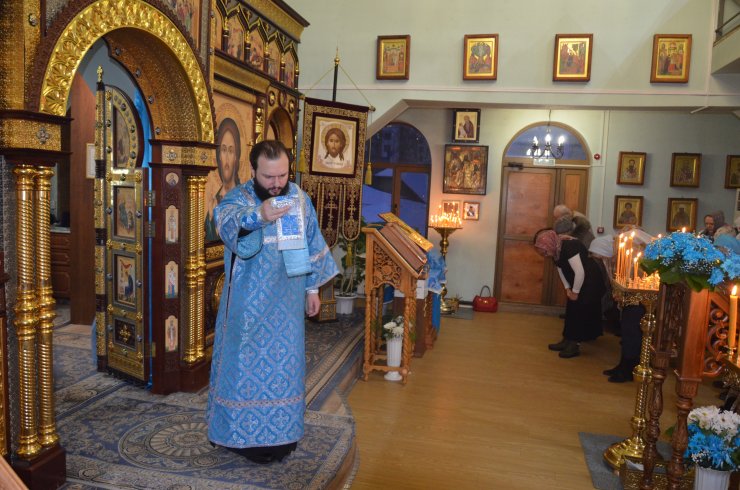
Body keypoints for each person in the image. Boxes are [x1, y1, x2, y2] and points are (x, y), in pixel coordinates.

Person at [206, 140, 339, 464]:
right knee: (243, 372)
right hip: (246, 311)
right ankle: (239, 438)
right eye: (269, 177)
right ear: (253, 171)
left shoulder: (299, 199)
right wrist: (258, 215)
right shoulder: (238, 199)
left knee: (284, 373)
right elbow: (224, 224)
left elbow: (312, 243)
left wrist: (312, 290)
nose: (277, 183)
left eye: (282, 175)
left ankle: (282, 437)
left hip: (286, 311)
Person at [534, 229, 605, 358]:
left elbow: (580, 272)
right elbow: (560, 270)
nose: (544, 254)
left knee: (580, 311)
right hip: (577, 280)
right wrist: (567, 288)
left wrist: (575, 292)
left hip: (590, 281)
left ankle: (574, 344)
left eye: (544, 251)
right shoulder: (555, 249)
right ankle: (567, 339)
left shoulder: (570, 246)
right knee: (571, 309)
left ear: (548, 243)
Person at [205, 118, 242, 241]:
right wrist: (211, 217)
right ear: (219, 156)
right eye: (223, 150)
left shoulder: (243, 197)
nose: (226, 158)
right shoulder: (214, 202)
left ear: (236, 156)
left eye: (231, 151)